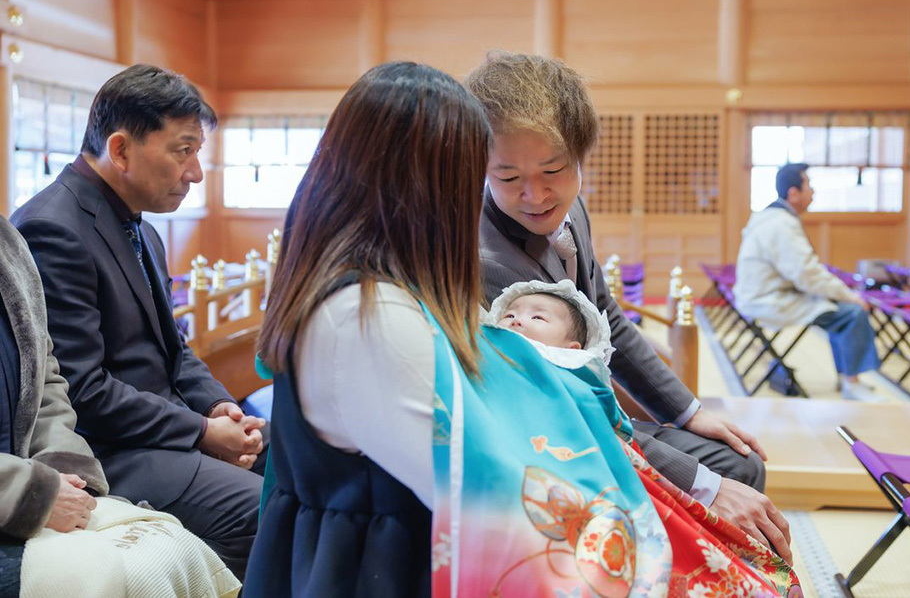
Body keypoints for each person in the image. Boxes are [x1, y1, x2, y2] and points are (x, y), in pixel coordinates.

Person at [246, 61, 799, 597]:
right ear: (421, 188)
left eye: (550, 172)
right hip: (394, 549)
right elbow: (488, 485)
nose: (517, 195)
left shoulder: (387, 285)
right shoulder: (373, 314)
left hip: (492, 477)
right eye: (491, 176)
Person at [467, 50, 791, 559]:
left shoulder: (573, 211)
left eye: (553, 169)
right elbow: (556, 405)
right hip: (553, 439)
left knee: (740, 461)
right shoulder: (487, 259)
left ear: (579, 157)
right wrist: (704, 486)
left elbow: (606, 318)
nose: (535, 194)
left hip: (589, 412)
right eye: (508, 178)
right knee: (727, 476)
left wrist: (688, 412)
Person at [11, 64, 265, 580]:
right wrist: (201, 432)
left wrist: (219, 407)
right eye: (183, 151)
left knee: (305, 466)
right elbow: (81, 390)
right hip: (110, 450)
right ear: (121, 149)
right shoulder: (51, 228)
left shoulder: (141, 226)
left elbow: (176, 350)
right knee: (264, 509)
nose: (196, 172)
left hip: (163, 433)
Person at [0, 215, 239, 598]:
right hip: (44, 479)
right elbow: (89, 389)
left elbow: (45, 378)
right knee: (139, 572)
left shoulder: (8, 243)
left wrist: (65, 470)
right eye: (183, 155)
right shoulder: (54, 226)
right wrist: (33, 494)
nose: (193, 181)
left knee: (176, 547)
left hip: (46, 474)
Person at [733, 163, 882, 402]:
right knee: (852, 313)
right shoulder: (780, 223)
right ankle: (852, 383)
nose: (813, 192)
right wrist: (850, 295)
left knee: (837, 309)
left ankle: (847, 378)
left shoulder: (769, 217)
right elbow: (807, 274)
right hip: (769, 300)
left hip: (762, 295)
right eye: (809, 186)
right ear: (794, 193)